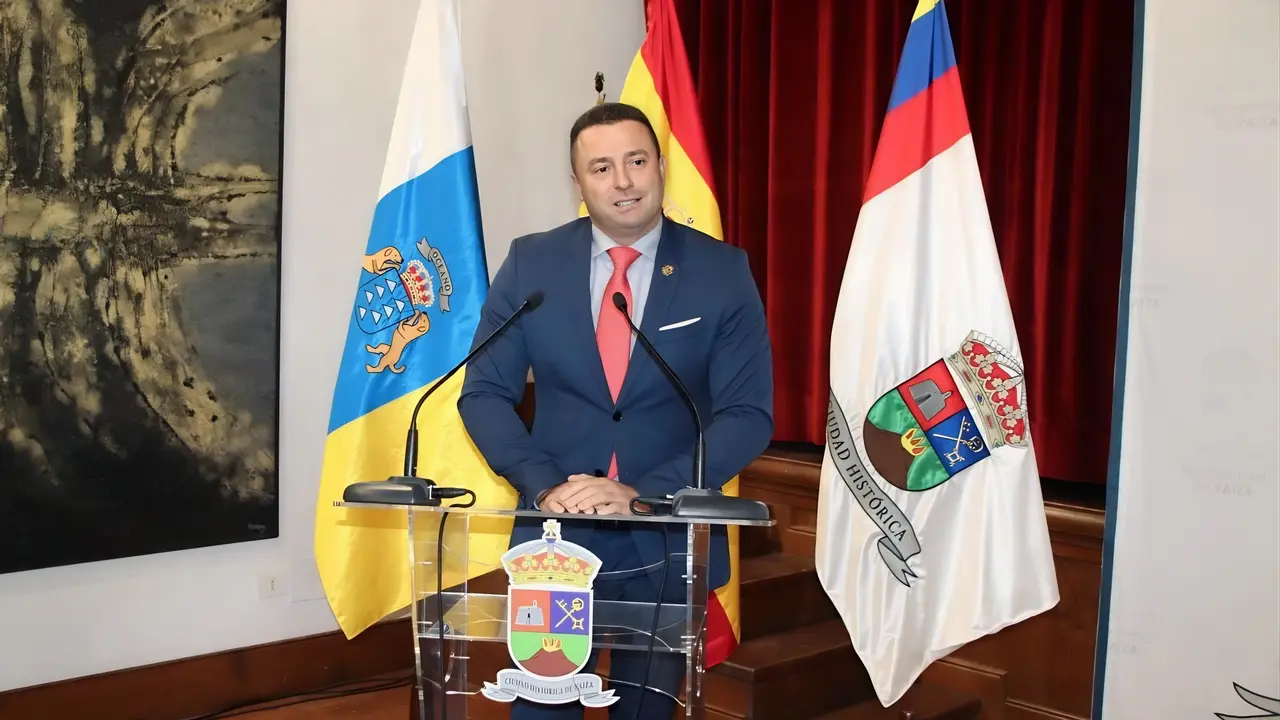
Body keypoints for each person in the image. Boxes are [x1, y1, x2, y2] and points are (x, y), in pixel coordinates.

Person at [458, 102, 774, 719]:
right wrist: (545, 484)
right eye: (600, 167)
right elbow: (483, 393)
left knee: (645, 713)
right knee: (543, 709)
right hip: (553, 539)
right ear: (577, 183)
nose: (622, 181)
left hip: (664, 537)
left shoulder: (721, 271)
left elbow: (748, 414)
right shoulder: (532, 263)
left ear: (660, 167)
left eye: (636, 161)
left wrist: (644, 493)